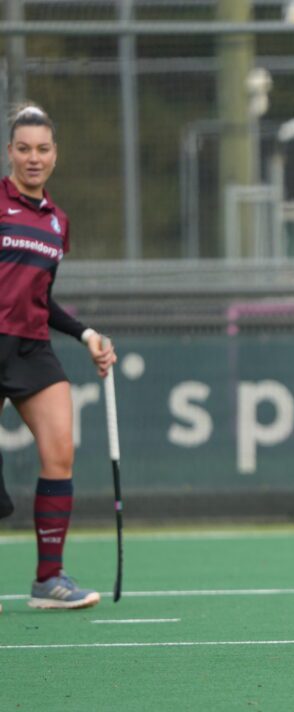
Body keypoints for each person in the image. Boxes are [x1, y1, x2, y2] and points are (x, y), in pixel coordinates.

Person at [0, 103, 117, 611]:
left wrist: (86, 333)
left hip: (32, 347)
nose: (33, 158)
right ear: (10, 152)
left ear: (54, 155)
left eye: (42, 149)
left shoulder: (57, 223)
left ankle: (49, 580)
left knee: (61, 450)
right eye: (23, 148)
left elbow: (40, 298)